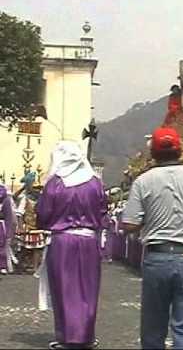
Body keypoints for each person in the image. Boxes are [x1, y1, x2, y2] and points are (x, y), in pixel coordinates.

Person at [121, 127, 183, 350]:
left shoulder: (143, 181)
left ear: (153, 154)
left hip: (157, 258)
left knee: (153, 325)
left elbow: (129, 225)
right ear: (181, 151)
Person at [36, 141, 109, 350]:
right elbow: (103, 211)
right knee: (88, 287)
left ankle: (67, 335)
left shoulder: (55, 184)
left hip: (63, 241)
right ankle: (86, 335)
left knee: (64, 287)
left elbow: (43, 214)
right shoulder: (95, 183)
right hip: (88, 240)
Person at [0, 185, 17, 274]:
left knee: (2, 245)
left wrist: (9, 231)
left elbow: (8, 216)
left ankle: (2, 265)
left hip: (1, 225)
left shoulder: (6, 200)